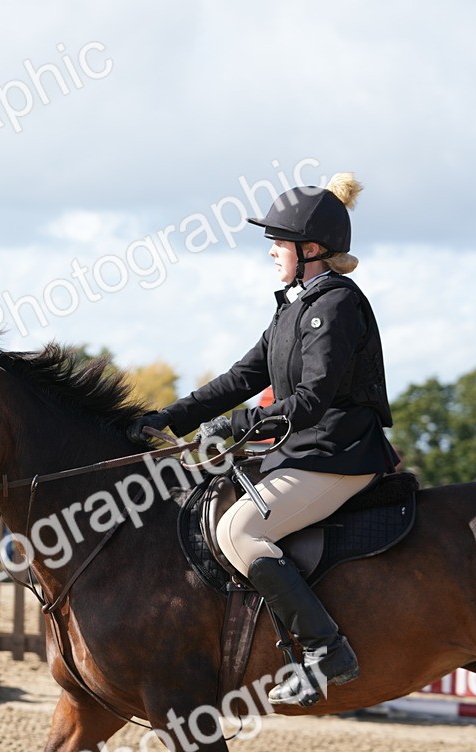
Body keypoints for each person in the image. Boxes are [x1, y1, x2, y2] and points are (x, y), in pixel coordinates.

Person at [128, 172, 398, 707]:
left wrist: (237, 424)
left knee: (240, 532)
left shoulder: (336, 306)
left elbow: (312, 401)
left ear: (311, 249)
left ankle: (326, 651)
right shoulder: (295, 306)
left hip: (338, 456)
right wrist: (167, 418)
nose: (272, 251)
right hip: (304, 453)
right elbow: (241, 377)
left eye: (280, 242)